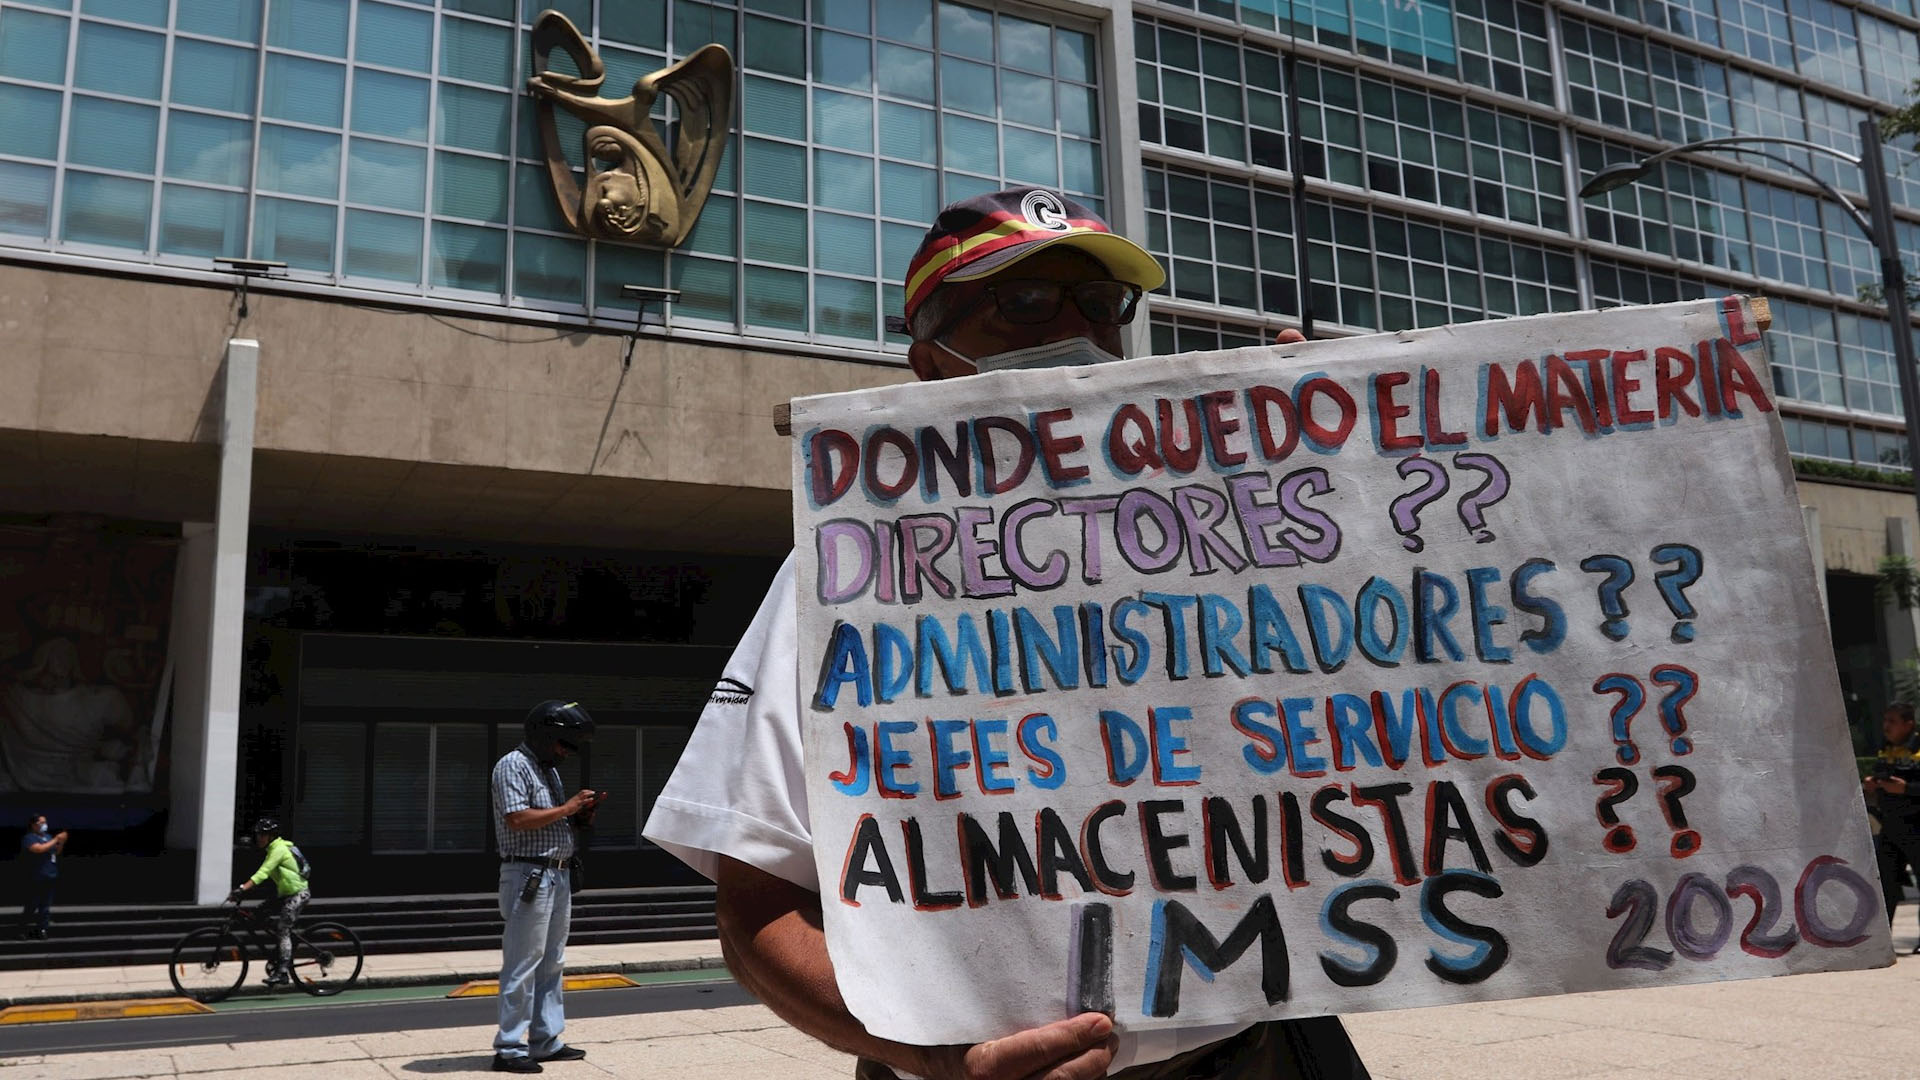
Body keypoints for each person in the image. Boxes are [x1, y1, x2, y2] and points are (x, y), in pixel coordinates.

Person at [643, 188, 1361, 1080]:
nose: (1076, 327)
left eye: (1100, 304)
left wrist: (1329, 459)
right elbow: (756, 910)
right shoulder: (845, 574)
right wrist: (941, 1059)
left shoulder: (1228, 530)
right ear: (930, 362)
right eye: (1023, 301)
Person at [490, 700, 606, 1074]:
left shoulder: (547, 771)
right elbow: (518, 818)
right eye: (564, 744)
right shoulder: (512, 766)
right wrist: (568, 808)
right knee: (523, 963)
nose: (567, 752)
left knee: (552, 962)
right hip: (529, 875)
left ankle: (545, 1040)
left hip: (557, 874)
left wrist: (580, 817)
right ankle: (509, 1048)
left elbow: (550, 821)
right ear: (544, 735)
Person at [230, 816, 310, 987]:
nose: (259, 838)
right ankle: (279, 950)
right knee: (256, 915)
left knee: (283, 929)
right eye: (258, 834)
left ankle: (282, 972)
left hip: (297, 894)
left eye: (263, 835)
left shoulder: (279, 849)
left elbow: (263, 873)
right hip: (284, 893)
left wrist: (242, 888)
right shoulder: (272, 849)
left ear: (272, 836)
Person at [1866, 702, 1920, 942]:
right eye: (1885, 720)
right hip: (1891, 827)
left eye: (1892, 721)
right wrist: (1873, 783)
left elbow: (1906, 786)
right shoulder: (1886, 747)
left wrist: (1907, 789)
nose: (1886, 726)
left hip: (1916, 826)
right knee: (1886, 884)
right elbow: (1882, 774)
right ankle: (1882, 940)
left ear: (1909, 724)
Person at [19, 813, 64, 939]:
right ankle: (23, 929)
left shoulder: (48, 837)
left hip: (50, 875)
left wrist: (60, 842)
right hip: (36, 876)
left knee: (45, 906)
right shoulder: (29, 837)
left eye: (45, 822)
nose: (45, 825)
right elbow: (38, 849)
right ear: (34, 825)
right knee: (32, 905)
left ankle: (42, 929)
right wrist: (55, 840)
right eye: (41, 822)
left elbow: (56, 851)